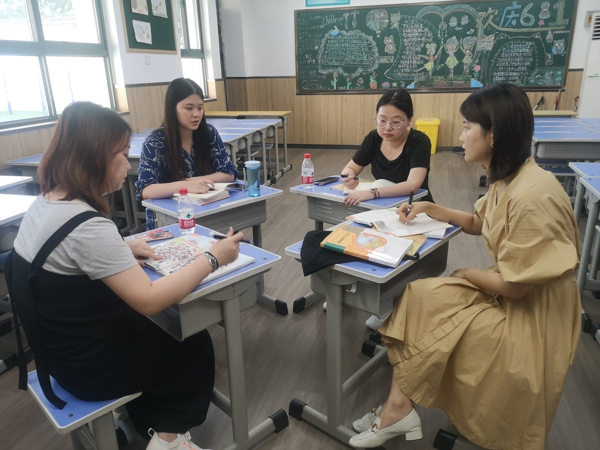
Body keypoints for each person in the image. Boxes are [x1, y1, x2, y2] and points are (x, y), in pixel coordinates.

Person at [348, 83, 581, 450]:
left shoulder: (532, 195)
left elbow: (517, 288)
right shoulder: (511, 177)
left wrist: (466, 274)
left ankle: (396, 409)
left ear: (493, 135)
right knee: (418, 295)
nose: (460, 136)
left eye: (467, 127)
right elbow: (477, 222)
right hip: (514, 287)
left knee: (437, 308)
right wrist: (430, 209)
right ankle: (399, 407)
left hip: (536, 314)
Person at [8, 101, 244, 450]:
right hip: (90, 372)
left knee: (146, 327)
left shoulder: (45, 203)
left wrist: (120, 246)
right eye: (121, 154)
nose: (128, 164)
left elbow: (67, 254)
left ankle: (136, 417)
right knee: (191, 342)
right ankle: (168, 440)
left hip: (57, 358)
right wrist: (213, 257)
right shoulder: (88, 227)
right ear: (95, 157)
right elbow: (150, 300)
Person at [339, 88, 433, 330]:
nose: (387, 128)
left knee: (394, 256)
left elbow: (414, 185)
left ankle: (388, 304)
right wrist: (348, 176)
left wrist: (373, 191)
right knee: (362, 243)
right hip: (382, 209)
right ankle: (349, 292)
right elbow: (351, 168)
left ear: (409, 120)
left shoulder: (420, 141)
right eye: (382, 120)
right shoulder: (373, 138)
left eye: (396, 122)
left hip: (414, 211)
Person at [136, 77, 238, 230]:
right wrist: (185, 185)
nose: (196, 114)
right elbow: (145, 190)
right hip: (169, 220)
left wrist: (194, 181)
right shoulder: (155, 143)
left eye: (200, 108)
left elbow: (229, 173)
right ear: (173, 108)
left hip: (207, 211)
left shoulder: (209, 133)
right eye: (189, 108)